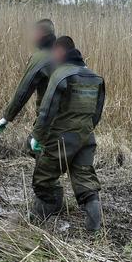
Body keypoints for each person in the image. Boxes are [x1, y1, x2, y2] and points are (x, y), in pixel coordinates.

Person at [30, 36, 106, 231]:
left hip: (62, 138)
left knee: (43, 179)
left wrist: (36, 136)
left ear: (60, 52)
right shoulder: (95, 77)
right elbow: (96, 114)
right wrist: (85, 132)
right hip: (86, 137)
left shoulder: (61, 75)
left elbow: (47, 111)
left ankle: (37, 225)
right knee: (86, 183)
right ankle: (94, 231)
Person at [0, 19, 56, 153]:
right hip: (77, 124)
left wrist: (6, 117)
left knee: (37, 153)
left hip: (50, 122)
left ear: (40, 34)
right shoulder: (66, 55)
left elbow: (23, 91)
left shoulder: (40, 58)